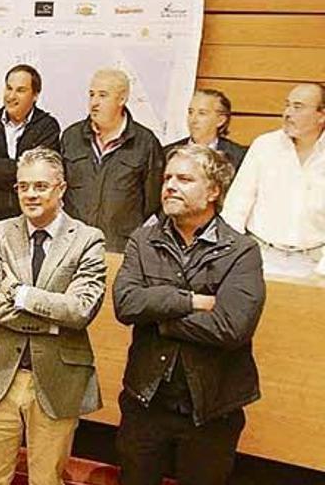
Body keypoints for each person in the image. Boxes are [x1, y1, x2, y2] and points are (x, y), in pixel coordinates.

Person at [113, 144, 266, 485]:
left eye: (184, 179)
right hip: (146, 401)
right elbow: (125, 305)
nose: (170, 185)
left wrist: (161, 319)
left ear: (213, 190)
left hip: (213, 409)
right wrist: (190, 300)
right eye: (167, 177)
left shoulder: (241, 251)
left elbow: (231, 327)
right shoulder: (143, 240)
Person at [0, 147, 107, 485]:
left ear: (60, 188)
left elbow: (80, 310)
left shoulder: (88, 240)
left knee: (47, 479)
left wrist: (21, 294)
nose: (30, 194)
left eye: (40, 186)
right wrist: (50, 319)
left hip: (58, 380)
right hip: (0, 375)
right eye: (23, 186)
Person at [221, 82, 325, 278]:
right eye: (287, 105)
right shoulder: (265, 146)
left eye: (298, 107)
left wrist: (321, 273)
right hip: (261, 257)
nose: (287, 113)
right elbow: (236, 207)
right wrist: (231, 259)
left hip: (314, 262)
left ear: (321, 115)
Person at [60, 68, 163, 251]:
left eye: (103, 95)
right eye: (91, 95)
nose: (94, 103)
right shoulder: (71, 137)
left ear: (121, 99)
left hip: (119, 247)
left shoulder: (145, 143)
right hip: (72, 247)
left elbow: (153, 202)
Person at [0, 64, 60, 226]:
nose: (11, 96)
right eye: (9, 88)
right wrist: (22, 169)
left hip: (29, 216)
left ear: (35, 95)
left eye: (20, 90)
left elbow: (40, 172)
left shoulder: (47, 126)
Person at [164, 89, 246, 170]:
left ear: (221, 120)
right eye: (190, 112)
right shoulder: (168, 153)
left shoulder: (238, 157)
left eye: (202, 113)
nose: (193, 120)